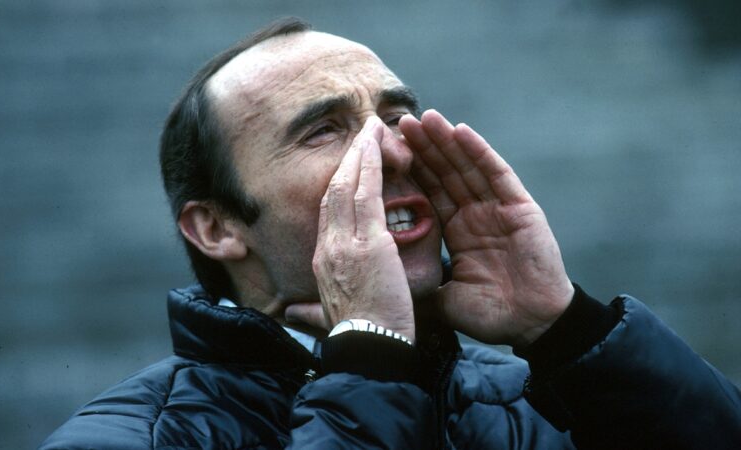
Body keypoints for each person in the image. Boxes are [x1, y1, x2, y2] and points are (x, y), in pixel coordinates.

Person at [40, 18, 741, 449]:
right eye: (324, 130)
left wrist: (566, 330)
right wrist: (371, 361)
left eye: (397, 115)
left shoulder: (540, 396)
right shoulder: (126, 437)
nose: (396, 149)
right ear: (218, 227)